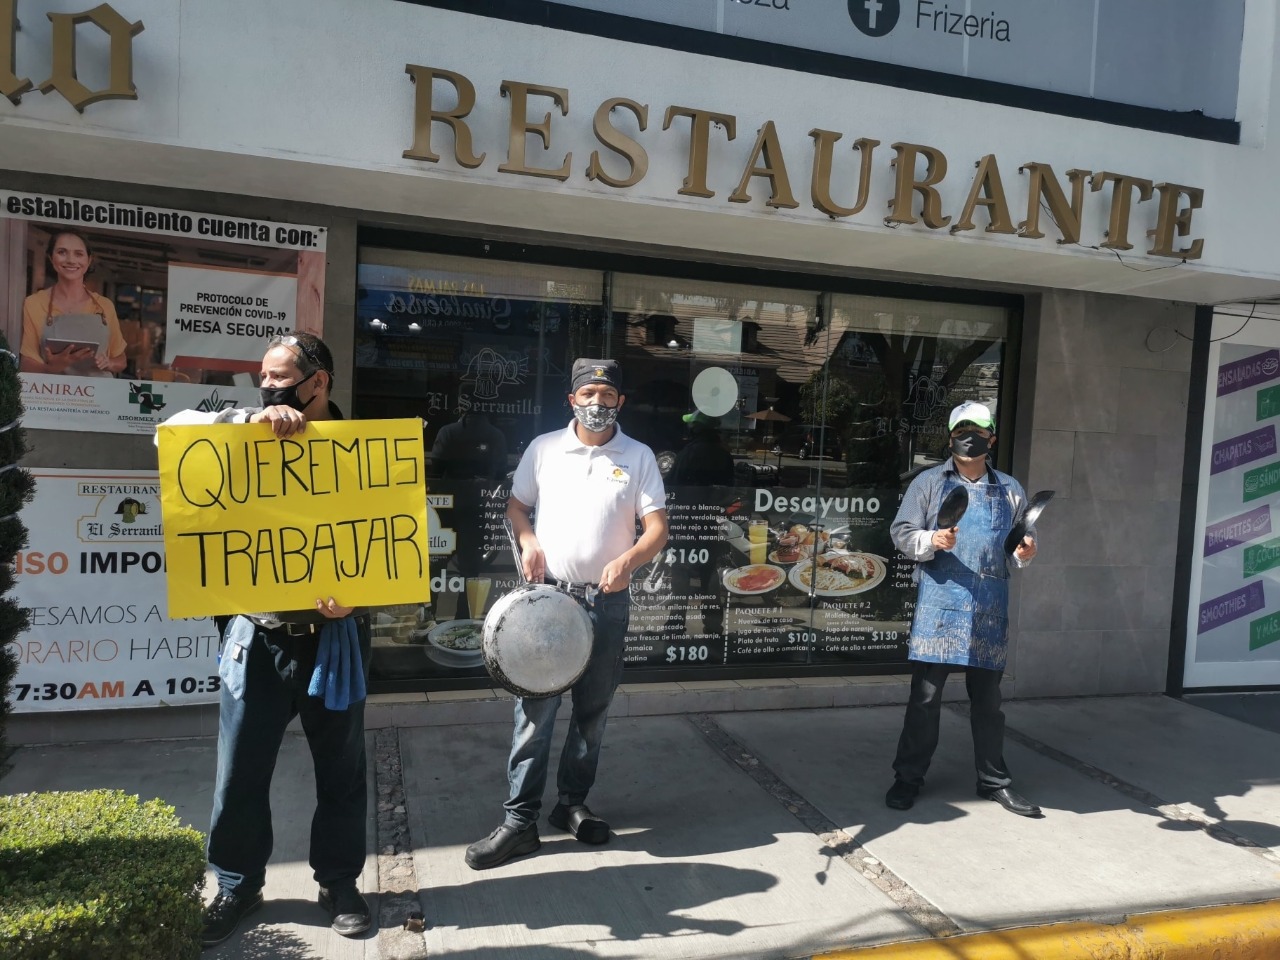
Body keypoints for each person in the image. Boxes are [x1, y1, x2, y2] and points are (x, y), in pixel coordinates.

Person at [156, 332, 374, 946]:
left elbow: (390, 543)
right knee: (240, 773)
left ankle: (339, 882)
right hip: (257, 637)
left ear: (318, 382)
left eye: (279, 376)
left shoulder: (365, 450)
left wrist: (360, 595)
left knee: (342, 772)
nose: (268, 385)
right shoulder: (240, 431)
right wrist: (245, 421)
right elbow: (167, 433)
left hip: (334, 642)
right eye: (264, 376)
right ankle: (237, 884)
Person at [464, 358, 669, 869]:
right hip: (548, 601)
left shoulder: (638, 456)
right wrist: (529, 541)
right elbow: (516, 507)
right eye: (588, 394)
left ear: (620, 402)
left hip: (607, 602)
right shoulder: (545, 449)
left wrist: (628, 560)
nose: (598, 403)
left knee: (592, 713)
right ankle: (519, 821)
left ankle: (572, 804)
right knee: (535, 714)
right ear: (571, 399)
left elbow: (657, 528)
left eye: (608, 395)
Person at [885, 401, 1041, 818]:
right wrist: (931, 540)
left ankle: (994, 781)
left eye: (979, 430)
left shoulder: (1009, 488)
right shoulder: (929, 482)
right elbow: (901, 531)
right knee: (925, 699)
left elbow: (1020, 543)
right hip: (939, 605)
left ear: (992, 438)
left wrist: (1026, 549)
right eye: (962, 430)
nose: (969, 437)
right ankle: (907, 777)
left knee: (988, 703)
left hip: (988, 606)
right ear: (950, 436)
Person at [20, 229, 127, 376]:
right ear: (51, 258)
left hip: (98, 390)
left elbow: (121, 359)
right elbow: (26, 363)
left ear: (89, 260)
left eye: (79, 254)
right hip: (53, 390)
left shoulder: (104, 306)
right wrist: (51, 368)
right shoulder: (34, 303)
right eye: (62, 252)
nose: (71, 260)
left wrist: (109, 363)